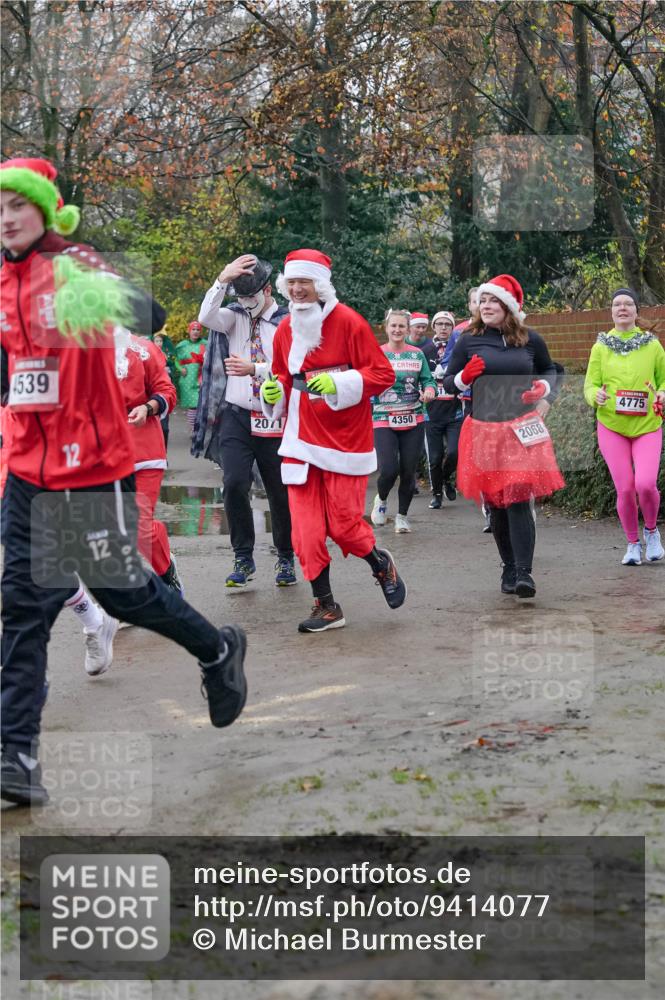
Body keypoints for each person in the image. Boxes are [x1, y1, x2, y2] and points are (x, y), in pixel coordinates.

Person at [0, 157, 247, 806]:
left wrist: (97, 295)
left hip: (87, 471)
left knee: (126, 592)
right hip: (28, 469)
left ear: (45, 211)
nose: (5, 218)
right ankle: (17, 757)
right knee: (23, 606)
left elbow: (151, 313)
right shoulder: (2, 281)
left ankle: (217, 650)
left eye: (16, 205)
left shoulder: (74, 266)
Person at [260, 248, 406, 631]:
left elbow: (381, 375)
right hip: (298, 440)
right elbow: (278, 375)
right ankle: (326, 606)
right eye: (291, 282)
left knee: (343, 526)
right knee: (304, 535)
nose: (297, 289)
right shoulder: (285, 329)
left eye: (304, 281)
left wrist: (340, 382)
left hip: (344, 441)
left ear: (320, 284)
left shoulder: (348, 321)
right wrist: (270, 393)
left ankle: (380, 564)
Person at [443, 274, 564, 598]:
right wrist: (463, 378)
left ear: (508, 307)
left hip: (521, 428)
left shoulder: (530, 339)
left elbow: (552, 369)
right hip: (484, 430)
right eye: (482, 301)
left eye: (493, 301)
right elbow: (448, 382)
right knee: (496, 503)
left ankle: (524, 572)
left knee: (519, 499)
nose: (486, 306)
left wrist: (544, 390)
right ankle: (508, 566)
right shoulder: (469, 339)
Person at [197, 254, 296, 588]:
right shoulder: (234, 317)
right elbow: (206, 315)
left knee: (279, 493)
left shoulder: (287, 322)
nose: (244, 303)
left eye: (249, 297)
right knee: (235, 483)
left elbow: (293, 369)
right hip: (236, 417)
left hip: (274, 418)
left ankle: (285, 557)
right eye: (239, 297)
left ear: (267, 291)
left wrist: (256, 369)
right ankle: (243, 556)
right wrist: (222, 279)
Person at [583, 289, 665, 565]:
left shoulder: (652, 344)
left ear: (636, 311)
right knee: (626, 489)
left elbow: (663, 379)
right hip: (612, 426)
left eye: (628, 303)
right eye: (617, 304)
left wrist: (663, 393)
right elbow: (590, 384)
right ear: (611, 311)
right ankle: (632, 544)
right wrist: (596, 396)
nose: (622, 308)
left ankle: (652, 531)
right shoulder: (601, 346)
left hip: (647, 425)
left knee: (645, 483)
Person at [370, 309, 436, 532]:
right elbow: (366, 382)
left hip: (413, 417)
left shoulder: (417, 355)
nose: (397, 330)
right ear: (386, 328)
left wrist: (429, 390)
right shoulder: (376, 354)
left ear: (407, 330)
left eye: (401, 326)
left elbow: (429, 381)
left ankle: (402, 516)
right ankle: (381, 499)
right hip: (383, 417)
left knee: (408, 470)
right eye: (393, 326)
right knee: (389, 469)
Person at [423, 311, 464, 509]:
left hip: (455, 411)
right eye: (439, 324)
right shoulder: (426, 351)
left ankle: (447, 478)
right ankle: (437, 493)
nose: (443, 328)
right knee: (435, 457)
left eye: (448, 324)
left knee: (455, 452)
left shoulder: (460, 348)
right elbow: (417, 377)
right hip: (432, 413)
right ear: (434, 327)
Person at [176, 321, 207, 437]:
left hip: (202, 377)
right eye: (193, 329)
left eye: (198, 330)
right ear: (189, 331)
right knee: (193, 405)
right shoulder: (182, 345)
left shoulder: (206, 344)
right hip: (188, 379)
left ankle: (200, 428)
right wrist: (180, 369)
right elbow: (176, 361)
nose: (195, 332)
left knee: (202, 404)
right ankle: (194, 429)